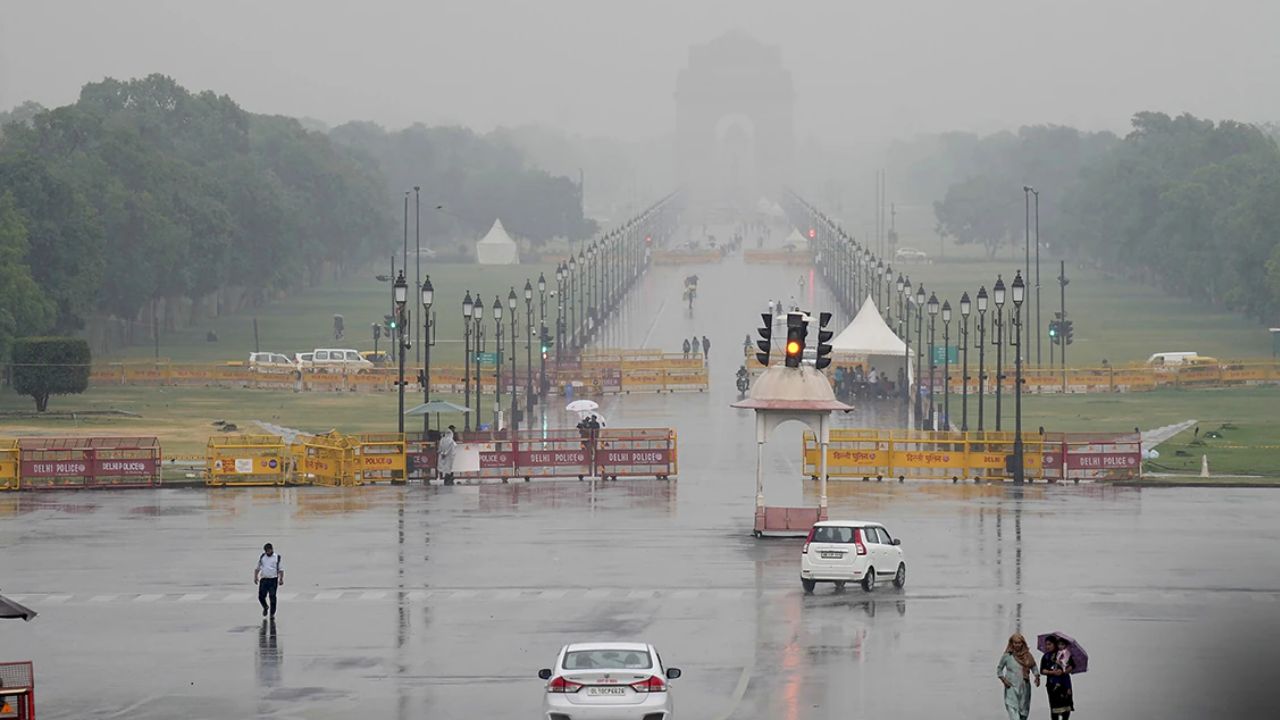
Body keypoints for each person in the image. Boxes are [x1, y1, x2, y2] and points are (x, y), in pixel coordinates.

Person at [997, 633, 1041, 720]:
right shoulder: (1007, 655)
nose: (1017, 645)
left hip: (1024, 686)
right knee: (1012, 708)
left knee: (1023, 712)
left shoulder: (1027, 655)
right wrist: (1003, 680)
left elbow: (1033, 666)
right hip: (1011, 686)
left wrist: (1036, 676)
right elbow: (999, 669)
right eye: (1015, 643)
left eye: (1019, 643)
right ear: (1012, 643)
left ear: (1023, 643)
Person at [1041, 636, 1075, 720]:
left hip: (1065, 684)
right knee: (1054, 709)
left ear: (1055, 644)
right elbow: (1042, 670)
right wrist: (1052, 672)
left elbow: (1072, 666)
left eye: (1049, 644)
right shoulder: (1046, 657)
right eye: (1046, 645)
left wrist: (1063, 671)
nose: (1047, 646)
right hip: (1052, 685)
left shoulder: (1064, 653)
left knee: (1066, 709)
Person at [254, 543, 283, 618]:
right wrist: (256, 577)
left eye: (269, 550)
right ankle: (265, 607)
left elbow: (281, 569)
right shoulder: (262, 557)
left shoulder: (277, 557)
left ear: (272, 549)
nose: (268, 552)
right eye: (267, 551)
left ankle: (272, 613)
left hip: (273, 579)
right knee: (261, 596)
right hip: (264, 579)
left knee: (272, 596)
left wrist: (281, 579)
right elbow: (257, 568)